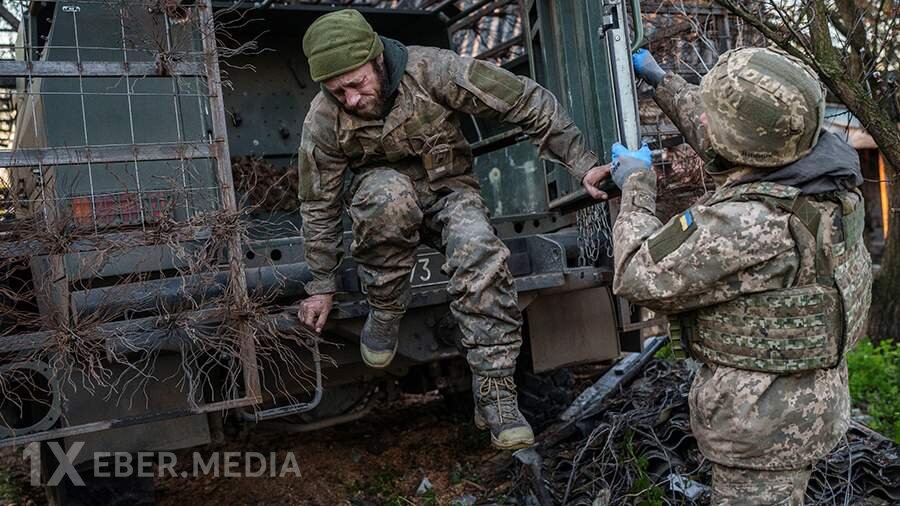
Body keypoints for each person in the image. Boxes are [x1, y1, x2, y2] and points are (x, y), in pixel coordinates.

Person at [295, 8, 609, 450]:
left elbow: (523, 99)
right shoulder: (323, 118)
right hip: (384, 206)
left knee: (480, 250)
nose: (348, 99)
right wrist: (322, 284)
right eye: (336, 91)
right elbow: (318, 201)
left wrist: (583, 165)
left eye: (355, 84)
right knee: (387, 194)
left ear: (376, 59)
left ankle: (496, 393)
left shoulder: (433, 70)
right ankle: (385, 311)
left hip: (450, 193)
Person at [608, 47, 872, 504]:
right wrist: (662, 81)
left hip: (760, 429)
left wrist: (636, 187)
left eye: (716, 117)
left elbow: (636, 273)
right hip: (807, 409)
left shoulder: (749, 222)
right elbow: (731, 132)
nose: (706, 123)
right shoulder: (823, 167)